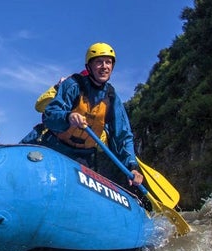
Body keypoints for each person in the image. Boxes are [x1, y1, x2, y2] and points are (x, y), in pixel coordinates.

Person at [34, 43, 143, 187]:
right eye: (99, 62)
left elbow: (122, 135)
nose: (104, 66)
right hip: (54, 147)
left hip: (83, 157)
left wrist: (132, 167)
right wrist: (68, 117)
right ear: (89, 66)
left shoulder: (112, 98)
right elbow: (51, 115)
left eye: (108, 62)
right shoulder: (73, 85)